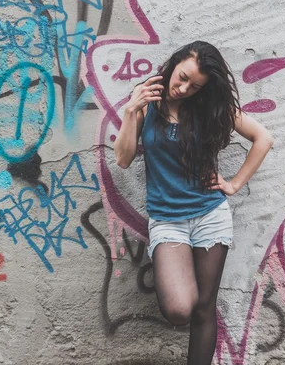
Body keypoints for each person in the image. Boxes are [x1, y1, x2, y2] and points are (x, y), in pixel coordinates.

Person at [113, 41, 273, 364]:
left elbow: (263, 138)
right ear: (174, 64)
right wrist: (132, 110)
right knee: (179, 308)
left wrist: (234, 183)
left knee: (204, 308)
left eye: (194, 86)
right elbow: (123, 158)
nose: (183, 88)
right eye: (182, 77)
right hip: (167, 221)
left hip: (210, 217)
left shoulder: (206, 108)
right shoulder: (146, 102)